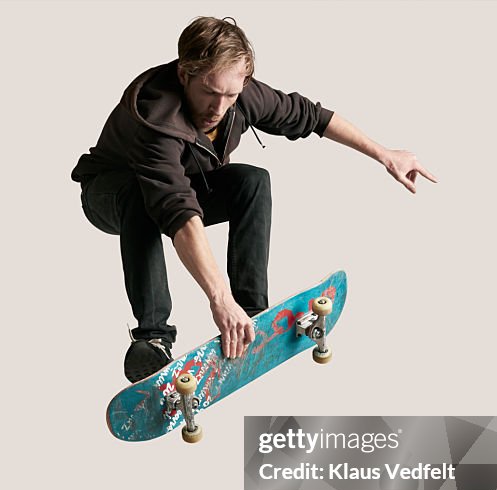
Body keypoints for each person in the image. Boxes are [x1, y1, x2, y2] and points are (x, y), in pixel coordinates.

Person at [72, 16, 436, 382]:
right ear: (184, 75)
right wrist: (219, 299)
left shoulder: (241, 94)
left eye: (231, 95)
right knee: (141, 194)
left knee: (252, 180)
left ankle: (252, 311)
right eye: (210, 93)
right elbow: (177, 211)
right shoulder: (157, 117)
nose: (220, 107)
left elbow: (312, 117)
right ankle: (153, 338)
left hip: (183, 184)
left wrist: (384, 154)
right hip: (109, 193)